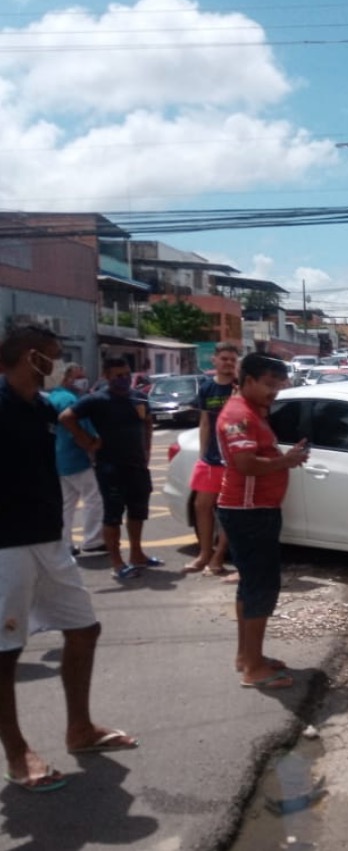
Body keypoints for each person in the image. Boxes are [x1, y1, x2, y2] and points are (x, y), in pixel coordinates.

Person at [0, 325, 138, 793]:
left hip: (48, 539)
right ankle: (17, 752)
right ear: (30, 356)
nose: (61, 366)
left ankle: (80, 730)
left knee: (84, 628)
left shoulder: (42, 407)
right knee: (5, 651)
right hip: (4, 547)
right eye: (54, 357)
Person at [217, 353, 310, 689]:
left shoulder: (251, 412)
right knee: (261, 587)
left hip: (256, 509)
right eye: (270, 385)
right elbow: (244, 463)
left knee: (251, 586)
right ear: (249, 380)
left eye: (279, 385)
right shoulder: (239, 415)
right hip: (249, 511)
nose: (275, 392)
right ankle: (253, 668)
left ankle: (248, 656)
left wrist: (286, 459)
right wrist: (284, 462)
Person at [60, 356, 158, 581]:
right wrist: (86, 441)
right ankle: (117, 563)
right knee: (113, 515)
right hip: (110, 467)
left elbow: (147, 423)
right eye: (118, 376)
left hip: (137, 466)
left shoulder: (138, 397)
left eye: (126, 375)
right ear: (106, 376)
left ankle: (137, 554)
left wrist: (147, 451)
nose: (123, 380)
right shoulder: (97, 400)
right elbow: (66, 417)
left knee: (138, 511)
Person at [184, 342, 240, 576]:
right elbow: (205, 421)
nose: (228, 363)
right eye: (224, 359)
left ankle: (218, 558)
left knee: (228, 511)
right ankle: (204, 553)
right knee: (201, 506)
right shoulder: (207, 388)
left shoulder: (240, 387)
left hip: (234, 460)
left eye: (232, 360)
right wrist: (202, 455)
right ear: (214, 361)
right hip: (211, 460)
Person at [47, 363, 105, 556]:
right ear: (67, 377)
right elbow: (80, 428)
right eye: (79, 376)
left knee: (67, 503)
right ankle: (93, 539)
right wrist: (91, 445)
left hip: (59, 457)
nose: (83, 379)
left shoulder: (53, 397)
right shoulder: (69, 400)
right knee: (94, 497)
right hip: (76, 457)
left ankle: (65, 543)